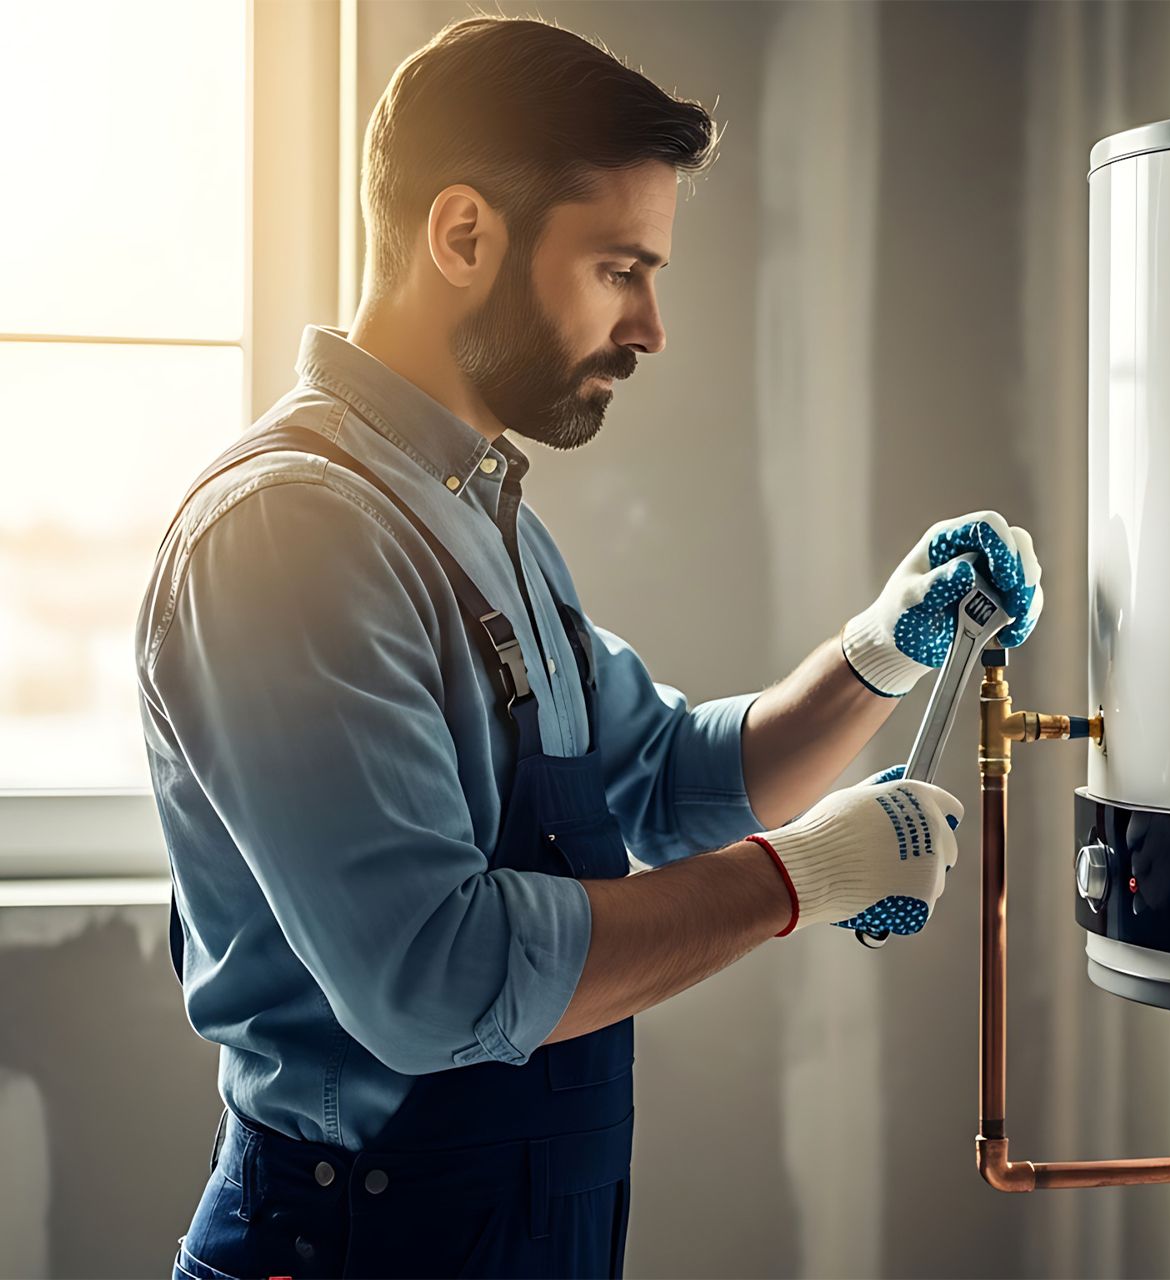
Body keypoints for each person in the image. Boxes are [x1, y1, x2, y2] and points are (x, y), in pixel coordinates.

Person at [136, 16, 1044, 1279]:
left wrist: (882, 649)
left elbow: (667, 780)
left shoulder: (475, 509)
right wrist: (804, 878)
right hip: (358, 1240)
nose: (653, 326)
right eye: (621, 268)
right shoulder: (293, 536)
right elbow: (437, 976)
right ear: (463, 234)